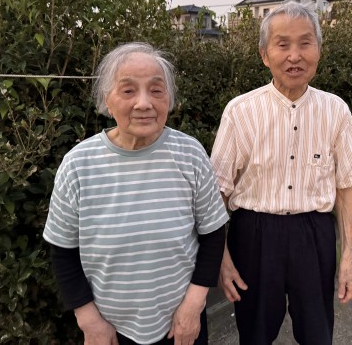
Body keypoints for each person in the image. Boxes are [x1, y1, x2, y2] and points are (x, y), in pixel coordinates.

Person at [43, 42, 229, 345]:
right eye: (128, 91)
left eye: (156, 90)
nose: (144, 103)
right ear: (107, 100)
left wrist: (194, 305)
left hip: (181, 323)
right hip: (110, 330)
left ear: (169, 99)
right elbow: (63, 250)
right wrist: (89, 320)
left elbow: (212, 233)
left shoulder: (190, 154)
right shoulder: (78, 165)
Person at [210, 1, 352, 345]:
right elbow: (218, 192)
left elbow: (346, 185)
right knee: (254, 335)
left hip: (313, 235)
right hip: (253, 236)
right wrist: (222, 259)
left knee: (317, 334)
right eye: (282, 44)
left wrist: (347, 256)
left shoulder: (336, 110)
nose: (294, 56)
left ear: (319, 50)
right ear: (264, 54)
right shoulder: (240, 111)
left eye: (305, 43)